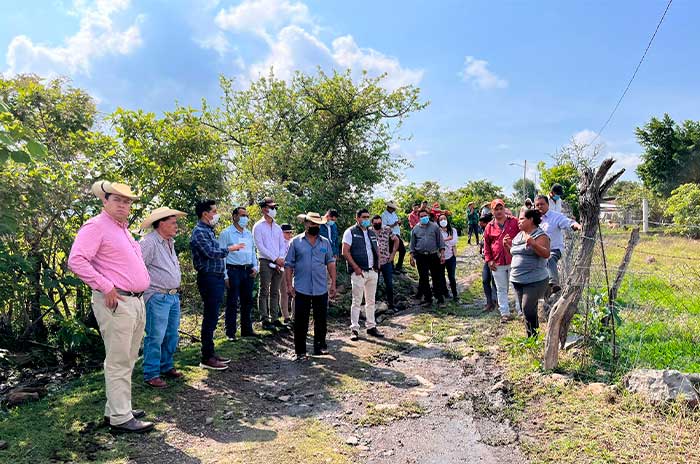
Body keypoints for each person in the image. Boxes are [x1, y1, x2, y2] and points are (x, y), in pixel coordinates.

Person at [68, 181, 154, 433]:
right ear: (104, 201)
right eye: (117, 200)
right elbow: (77, 260)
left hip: (135, 301)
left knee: (127, 357)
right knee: (118, 360)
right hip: (117, 301)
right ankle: (120, 417)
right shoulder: (96, 226)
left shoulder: (124, 230)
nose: (123, 205)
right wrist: (105, 286)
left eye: (127, 201)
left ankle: (117, 409)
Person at [190, 199, 244, 370]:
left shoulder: (209, 231)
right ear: (205, 214)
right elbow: (210, 252)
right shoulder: (199, 232)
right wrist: (230, 249)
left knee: (213, 317)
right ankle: (206, 357)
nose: (216, 214)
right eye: (213, 211)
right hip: (209, 278)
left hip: (217, 277)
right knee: (210, 317)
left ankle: (211, 353)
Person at [140, 207, 187, 390]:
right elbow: (139, 267)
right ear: (161, 223)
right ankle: (151, 373)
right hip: (157, 295)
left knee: (171, 334)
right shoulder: (149, 242)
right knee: (155, 335)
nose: (176, 226)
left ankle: (166, 366)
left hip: (172, 296)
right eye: (173, 222)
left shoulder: (169, 242)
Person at [285, 212, 337, 359]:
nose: (315, 226)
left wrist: (333, 283)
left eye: (317, 224)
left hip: (321, 287)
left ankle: (320, 347)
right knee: (301, 321)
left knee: (321, 320)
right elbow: (288, 265)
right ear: (306, 224)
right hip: (302, 288)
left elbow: (330, 263)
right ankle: (300, 351)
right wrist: (289, 285)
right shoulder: (295, 242)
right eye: (312, 224)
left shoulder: (325, 242)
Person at [503, 208, 551, 337]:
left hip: (534, 280)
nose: (518, 221)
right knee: (527, 311)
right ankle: (531, 338)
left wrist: (534, 244)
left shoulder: (540, 235)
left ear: (531, 220)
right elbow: (516, 255)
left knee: (527, 308)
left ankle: (533, 337)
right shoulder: (519, 235)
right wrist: (508, 246)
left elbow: (546, 254)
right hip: (518, 280)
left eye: (522, 219)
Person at [343, 208, 384, 340]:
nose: (366, 220)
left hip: (372, 271)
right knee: (356, 301)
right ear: (357, 218)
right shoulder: (350, 232)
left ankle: (371, 326)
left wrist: (378, 264)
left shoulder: (371, 233)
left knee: (371, 301)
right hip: (359, 272)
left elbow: (376, 248)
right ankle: (354, 329)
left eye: (368, 217)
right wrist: (355, 267)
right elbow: (345, 251)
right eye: (363, 217)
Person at [219, 206, 259, 340]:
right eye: (242, 215)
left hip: (247, 270)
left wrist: (255, 267)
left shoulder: (248, 233)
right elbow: (221, 255)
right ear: (234, 216)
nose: (245, 218)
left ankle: (247, 329)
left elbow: (253, 251)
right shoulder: (226, 233)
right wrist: (224, 275)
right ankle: (230, 332)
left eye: (246, 216)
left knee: (247, 301)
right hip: (233, 270)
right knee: (232, 302)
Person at [253, 197, 289, 331]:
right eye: (271, 207)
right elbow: (260, 246)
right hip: (265, 261)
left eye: (275, 207)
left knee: (275, 291)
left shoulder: (278, 227)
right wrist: (275, 258)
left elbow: (282, 245)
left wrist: (280, 259)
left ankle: (274, 317)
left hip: (279, 262)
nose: (274, 210)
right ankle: (264, 318)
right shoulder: (258, 226)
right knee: (264, 290)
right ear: (264, 209)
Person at [534, 194, 581, 294]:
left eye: (542, 204)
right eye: (537, 205)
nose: (539, 207)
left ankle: (554, 283)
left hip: (553, 249)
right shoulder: (534, 219)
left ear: (548, 204)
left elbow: (567, 222)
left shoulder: (555, 216)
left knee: (549, 258)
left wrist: (575, 225)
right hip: (538, 251)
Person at [483, 199, 519, 323]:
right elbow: (486, 245)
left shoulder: (514, 222)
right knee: (501, 289)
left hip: (514, 259)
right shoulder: (489, 226)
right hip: (497, 262)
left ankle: (521, 312)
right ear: (492, 211)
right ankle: (505, 313)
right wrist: (489, 260)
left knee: (517, 287)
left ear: (504, 209)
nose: (499, 211)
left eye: (500, 208)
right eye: (496, 209)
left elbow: (523, 235)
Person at [409, 208, 446, 307]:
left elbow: (441, 242)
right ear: (418, 217)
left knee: (436, 278)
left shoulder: (435, 227)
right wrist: (411, 257)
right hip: (421, 257)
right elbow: (412, 245)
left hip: (433, 255)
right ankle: (428, 299)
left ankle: (440, 299)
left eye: (425, 216)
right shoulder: (415, 229)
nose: (423, 218)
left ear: (428, 216)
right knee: (424, 278)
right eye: (421, 216)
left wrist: (442, 255)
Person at [372, 215, 399, 310]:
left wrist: (393, 254)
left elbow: (396, 240)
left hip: (386, 261)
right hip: (374, 263)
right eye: (375, 223)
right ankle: (372, 306)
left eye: (379, 223)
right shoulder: (369, 231)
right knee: (373, 285)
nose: (377, 225)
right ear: (372, 223)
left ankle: (391, 304)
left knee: (389, 284)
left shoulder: (386, 230)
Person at [478, 214, 498, 312]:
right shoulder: (484, 232)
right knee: (485, 280)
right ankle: (489, 302)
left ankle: (495, 303)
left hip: (494, 260)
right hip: (487, 260)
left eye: (481, 223)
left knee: (495, 282)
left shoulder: (493, 230)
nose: (479, 224)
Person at [381, 200, 406, 274]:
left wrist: (398, 223)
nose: (394, 209)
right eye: (393, 208)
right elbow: (383, 227)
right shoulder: (384, 215)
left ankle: (399, 266)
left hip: (396, 234)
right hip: (390, 235)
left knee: (402, 250)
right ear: (389, 207)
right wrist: (393, 225)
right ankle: (391, 268)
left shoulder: (394, 214)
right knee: (391, 251)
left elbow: (396, 223)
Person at [438, 214, 459, 302]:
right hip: (440, 257)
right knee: (441, 276)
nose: (443, 220)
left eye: (444, 219)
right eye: (441, 219)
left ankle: (455, 295)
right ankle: (445, 293)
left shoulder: (453, 230)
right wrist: (448, 239)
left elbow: (454, 242)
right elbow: (437, 243)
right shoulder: (437, 231)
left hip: (451, 256)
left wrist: (443, 240)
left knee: (451, 277)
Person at [279, 223, 295, 326]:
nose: (289, 234)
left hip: (293, 268)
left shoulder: (292, 242)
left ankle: (294, 316)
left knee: (294, 292)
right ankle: (286, 316)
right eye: (286, 232)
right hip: (282, 268)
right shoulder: (278, 242)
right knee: (284, 292)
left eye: (290, 232)